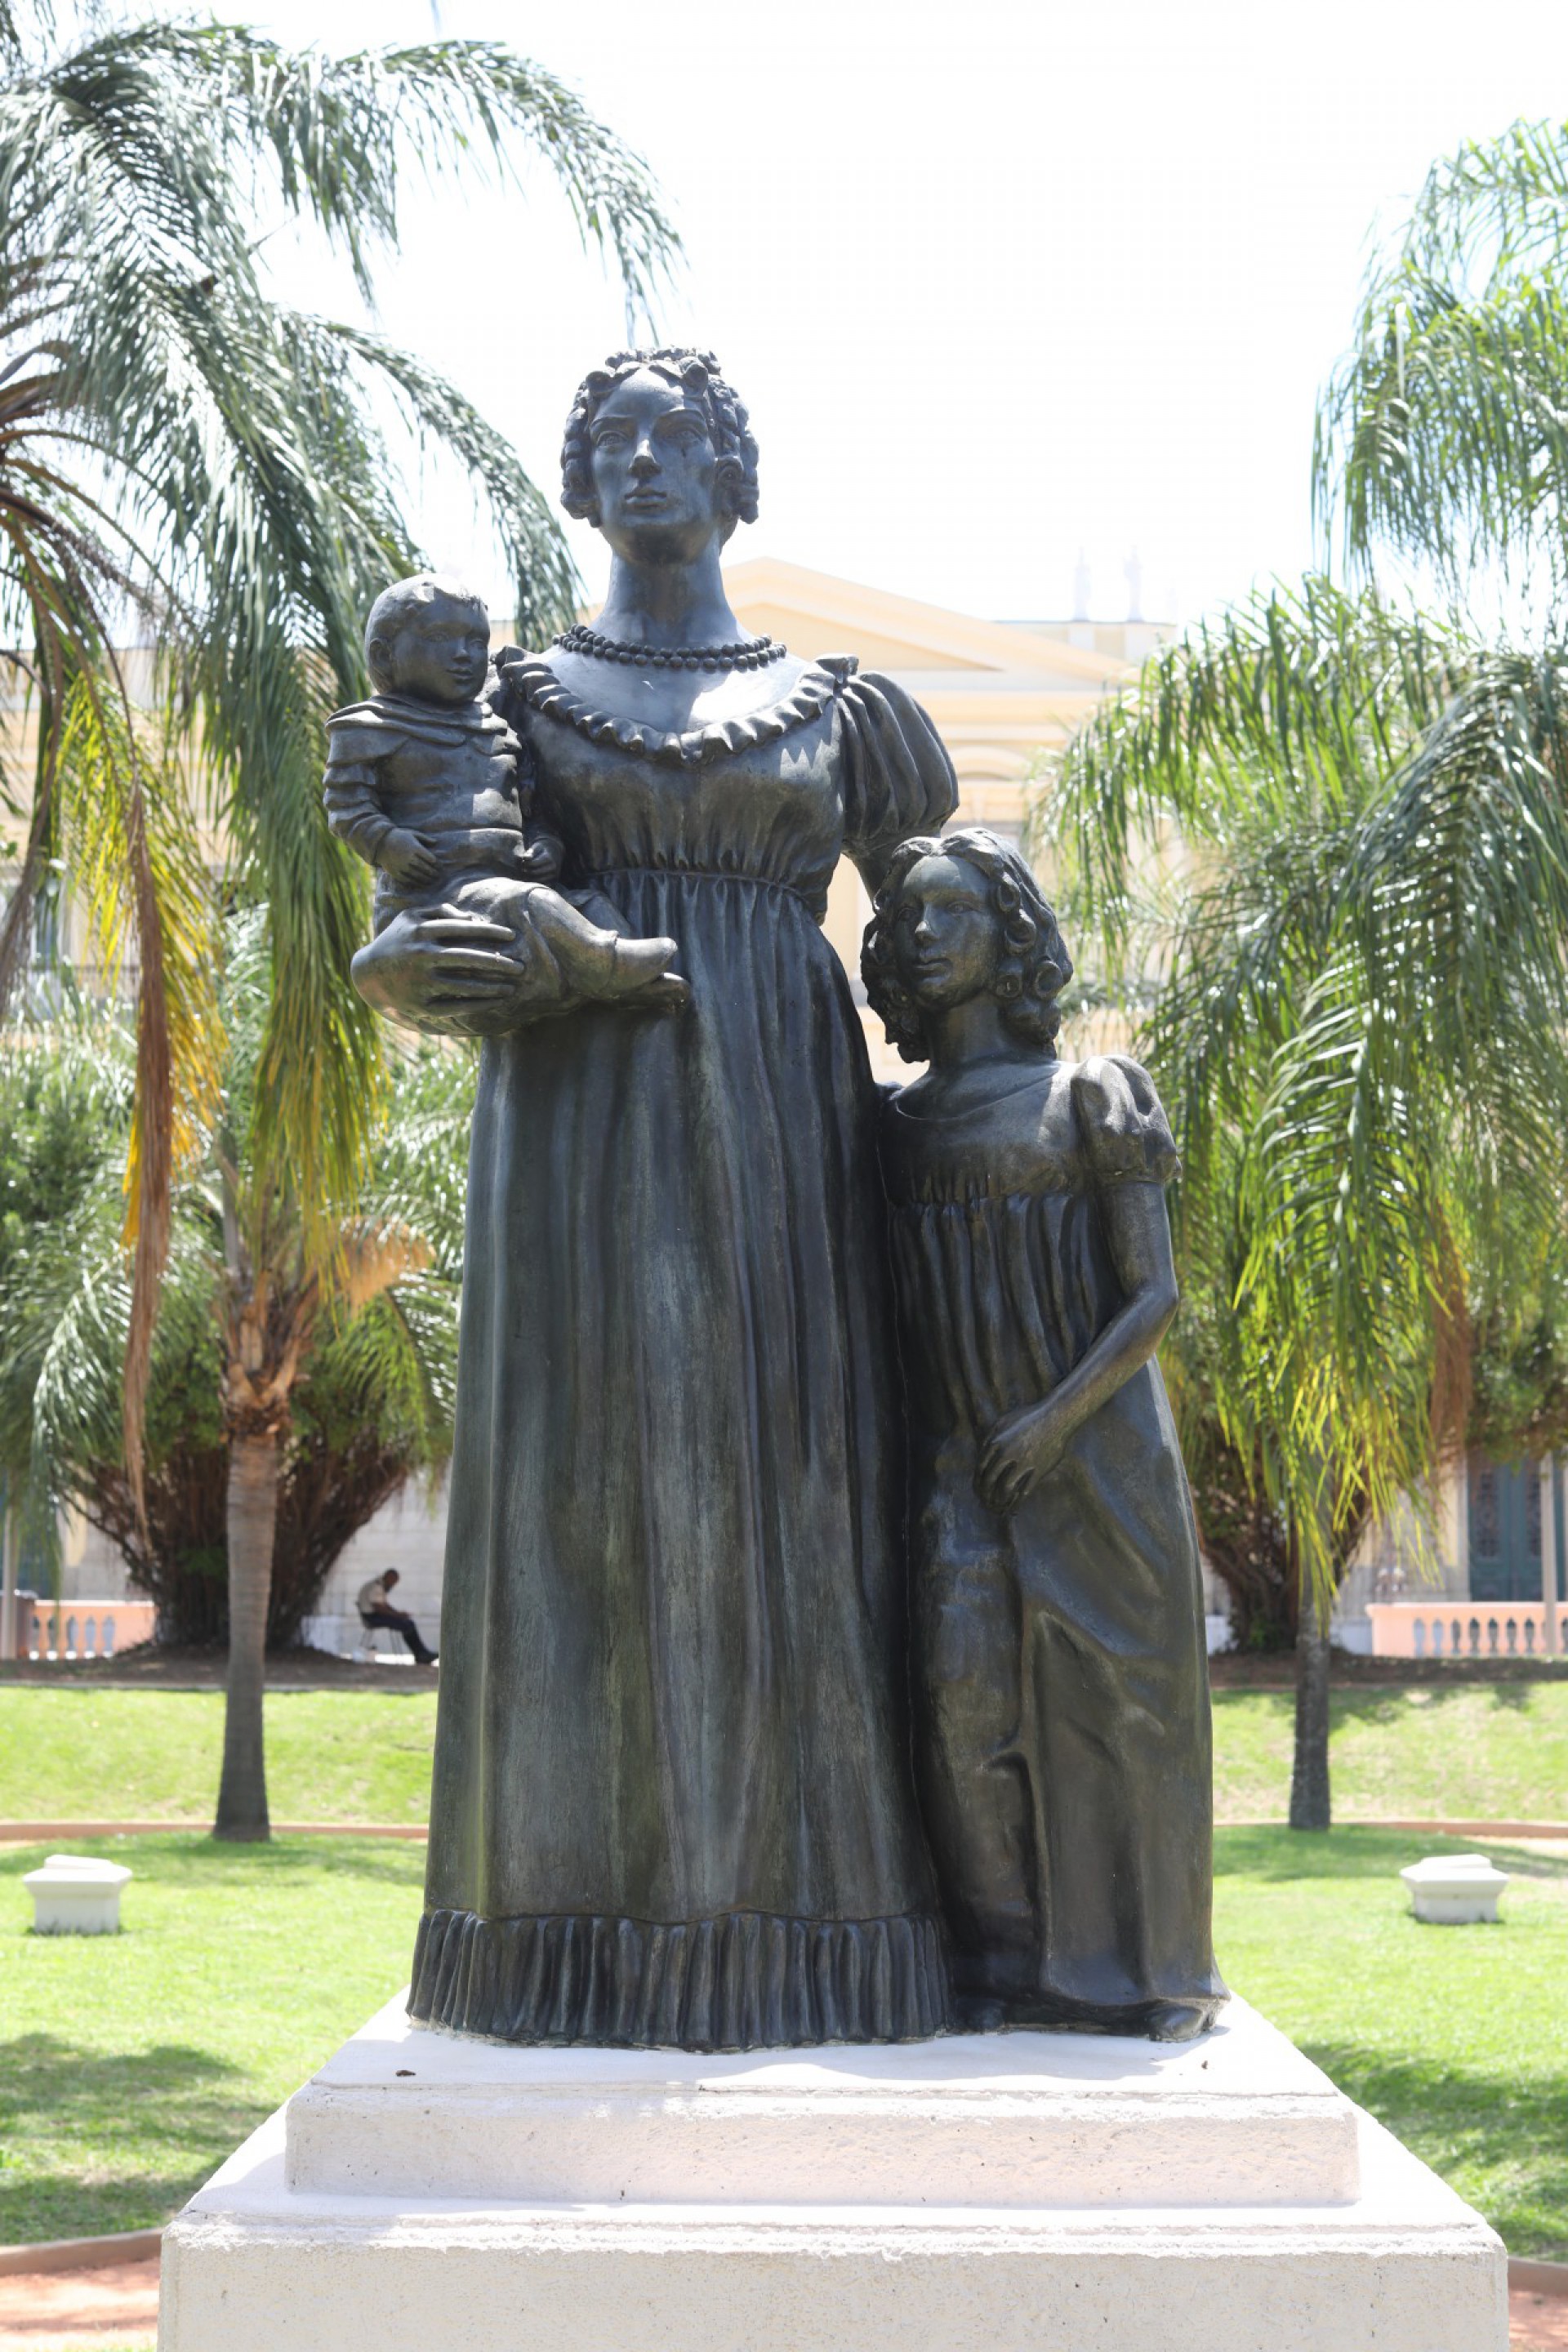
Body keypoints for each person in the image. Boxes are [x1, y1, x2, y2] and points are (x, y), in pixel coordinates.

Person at [350, 348, 956, 2051]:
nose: (642, 461)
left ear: (733, 474)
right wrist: (417, 960)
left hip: (789, 1134)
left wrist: (1014, 1119)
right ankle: (556, 1943)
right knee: (583, 1507)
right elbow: (415, 925)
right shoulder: (505, 705)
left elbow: (944, 949)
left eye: (675, 437)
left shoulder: (846, 711)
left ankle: (820, 1936)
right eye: (609, 441)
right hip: (574, 1134)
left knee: (795, 1487)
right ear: (577, 479)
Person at [864, 828, 1226, 2042]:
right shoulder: (889, 1125)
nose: (926, 931)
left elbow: (1154, 1295)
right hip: (958, 1463)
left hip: (1097, 1458)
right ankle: (1002, 1958)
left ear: (1010, 933)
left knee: (1122, 1715)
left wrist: (1055, 1422)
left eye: (954, 909)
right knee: (964, 1703)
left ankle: (1136, 1974)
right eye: (912, 913)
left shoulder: (1092, 1096)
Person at [323, 571, 682, 1007]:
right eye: (440, 637)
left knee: (586, 904)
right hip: (435, 894)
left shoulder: (499, 732)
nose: (464, 655)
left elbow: (528, 810)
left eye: (477, 643)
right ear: (384, 655)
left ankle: (629, 979)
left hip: (503, 880)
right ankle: (607, 966)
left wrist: (545, 845)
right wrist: (387, 843)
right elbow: (346, 804)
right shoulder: (369, 729)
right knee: (529, 902)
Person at [356, 1570, 438, 1667]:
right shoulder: (377, 1587)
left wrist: (397, 1613)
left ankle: (422, 1653)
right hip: (372, 1618)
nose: (393, 1585)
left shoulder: (379, 1585)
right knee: (407, 1625)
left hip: (375, 1615)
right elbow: (379, 1608)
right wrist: (397, 1615)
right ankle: (420, 1654)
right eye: (393, 1582)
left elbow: (384, 1605)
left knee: (408, 1623)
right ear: (389, 1578)